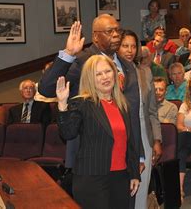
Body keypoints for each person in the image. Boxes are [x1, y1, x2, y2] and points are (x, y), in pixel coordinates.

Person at [38, 17, 144, 174]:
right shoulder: (82, 61)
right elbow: (46, 88)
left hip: (124, 161)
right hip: (91, 163)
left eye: (118, 30)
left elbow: (132, 117)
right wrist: (68, 53)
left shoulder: (128, 65)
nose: (116, 35)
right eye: (109, 31)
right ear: (95, 37)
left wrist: (138, 156)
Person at [55, 55, 140, 208]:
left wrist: (134, 173)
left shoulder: (122, 104)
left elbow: (130, 142)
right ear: (90, 79)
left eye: (107, 71)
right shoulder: (82, 103)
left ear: (114, 73)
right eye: (98, 74)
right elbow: (68, 133)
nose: (105, 77)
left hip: (120, 177)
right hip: (92, 179)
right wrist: (62, 104)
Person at [118, 30, 162, 209]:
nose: (129, 50)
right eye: (125, 46)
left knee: (142, 188)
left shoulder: (145, 72)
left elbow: (152, 111)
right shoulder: (110, 73)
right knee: (123, 189)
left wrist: (157, 140)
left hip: (145, 135)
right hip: (121, 136)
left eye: (133, 46)